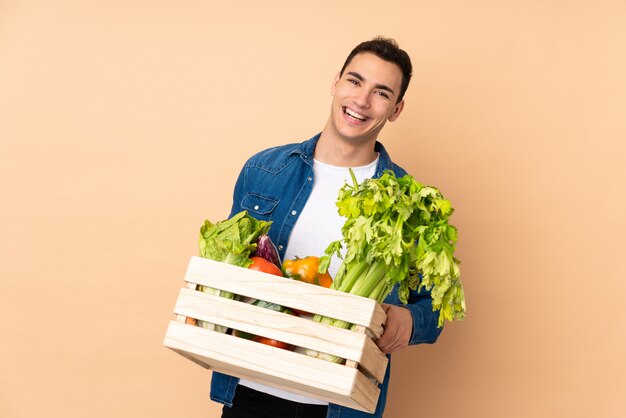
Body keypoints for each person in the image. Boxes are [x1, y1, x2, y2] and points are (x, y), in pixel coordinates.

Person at [212, 37, 442, 418]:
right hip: (250, 388)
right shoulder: (264, 171)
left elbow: (433, 310)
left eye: (381, 92)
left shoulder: (409, 205)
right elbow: (228, 267)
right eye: (355, 82)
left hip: (334, 404)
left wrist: (409, 321)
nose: (362, 101)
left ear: (396, 109)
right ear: (335, 83)